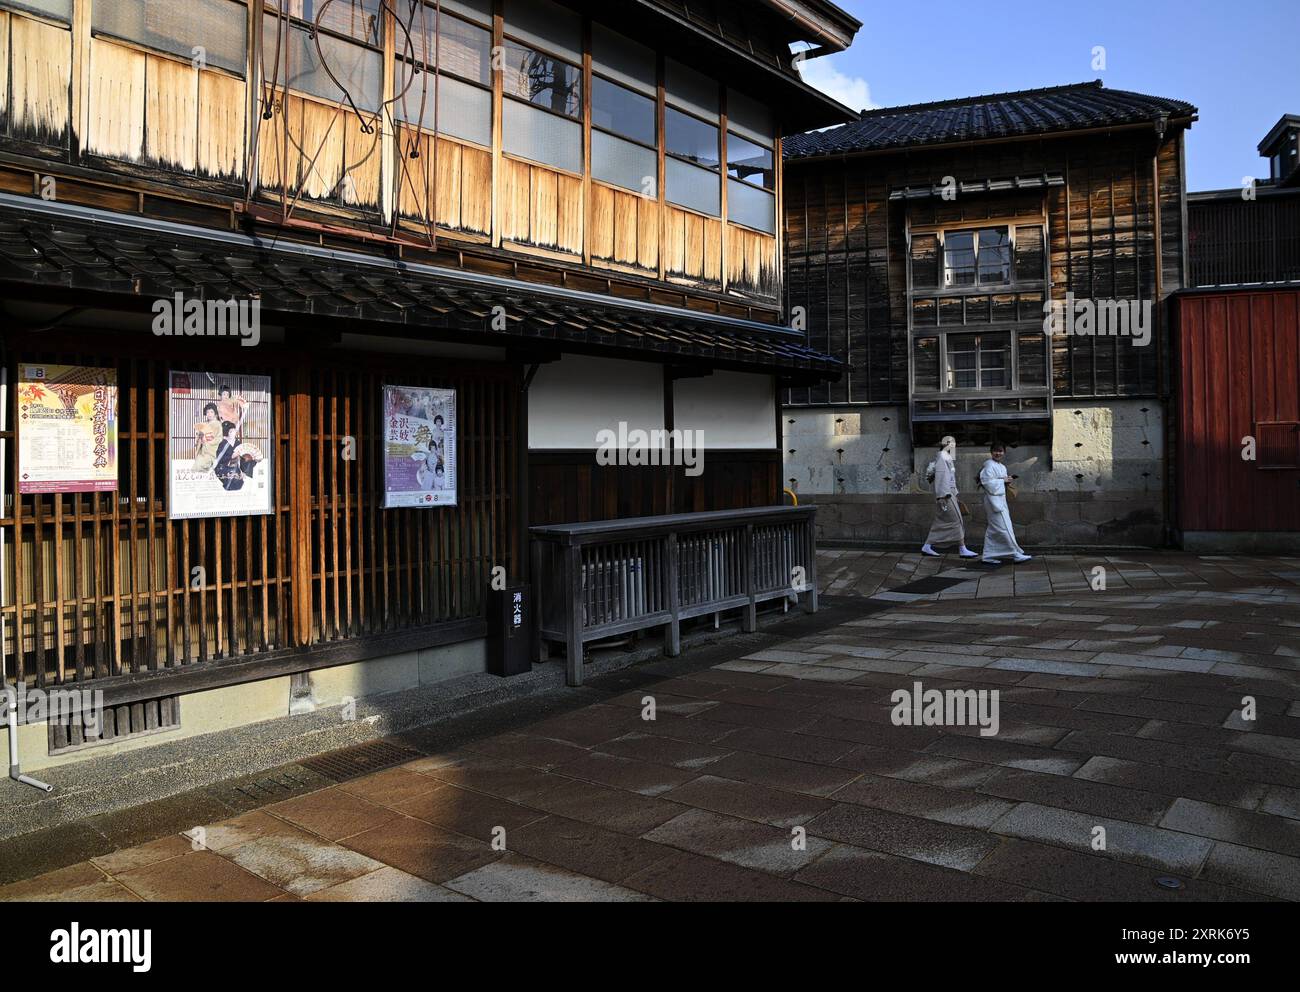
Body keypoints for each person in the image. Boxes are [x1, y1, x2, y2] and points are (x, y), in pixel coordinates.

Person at [921, 435, 977, 559]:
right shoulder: (942, 456)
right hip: (945, 494)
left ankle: (928, 545)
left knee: (946, 521)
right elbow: (942, 476)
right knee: (956, 520)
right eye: (949, 443)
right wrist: (943, 495)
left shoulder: (946, 457)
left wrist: (955, 494)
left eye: (953, 443)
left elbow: (950, 478)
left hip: (949, 493)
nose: (952, 445)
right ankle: (962, 549)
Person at [979, 442, 1032, 564]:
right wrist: (1003, 481)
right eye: (995, 451)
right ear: (991, 452)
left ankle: (988, 555)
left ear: (1004, 452)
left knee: (996, 528)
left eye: (1000, 451)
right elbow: (987, 483)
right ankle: (1014, 554)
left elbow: (998, 482)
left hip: (1000, 500)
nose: (998, 453)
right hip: (993, 501)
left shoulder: (1002, 467)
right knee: (1002, 528)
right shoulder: (988, 466)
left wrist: (1007, 480)